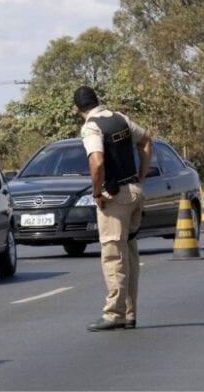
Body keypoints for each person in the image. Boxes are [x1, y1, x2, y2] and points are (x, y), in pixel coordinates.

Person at [73, 85, 152, 332]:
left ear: (77, 109)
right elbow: (147, 140)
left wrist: (97, 193)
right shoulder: (120, 118)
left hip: (115, 198)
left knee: (113, 255)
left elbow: (97, 162)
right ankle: (129, 313)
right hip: (135, 192)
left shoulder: (91, 127)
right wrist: (140, 176)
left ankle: (113, 314)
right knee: (128, 253)